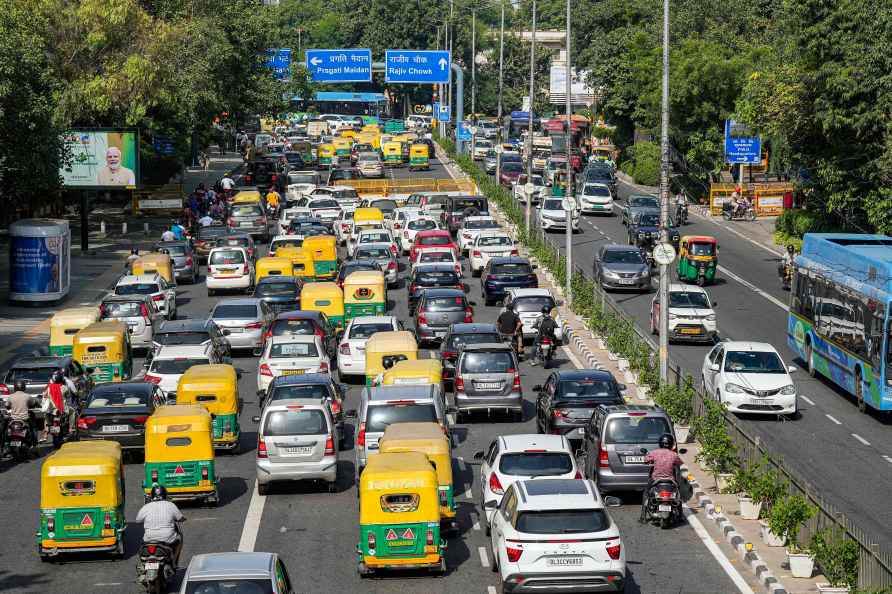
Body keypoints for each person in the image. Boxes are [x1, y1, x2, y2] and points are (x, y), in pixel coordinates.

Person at [136, 484, 186, 565]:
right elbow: (180, 518)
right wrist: (183, 519)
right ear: (165, 495)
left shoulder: (146, 506)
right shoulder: (170, 505)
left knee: (142, 545)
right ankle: (174, 563)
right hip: (167, 538)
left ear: (152, 495)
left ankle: (143, 563)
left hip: (149, 537)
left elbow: (138, 520)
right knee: (179, 539)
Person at [640, 433, 683, 522]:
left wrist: (648, 457)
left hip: (656, 479)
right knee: (678, 493)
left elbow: (645, 460)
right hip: (670, 480)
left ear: (660, 443)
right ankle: (680, 515)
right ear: (671, 444)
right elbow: (679, 463)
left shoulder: (654, 453)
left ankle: (643, 516)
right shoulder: (674, 455)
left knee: (646, 493)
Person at [7, 379, 37, 447]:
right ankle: (34, 444)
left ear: (15, 387)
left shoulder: (11, 396)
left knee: (5, 429)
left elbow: (7, 405)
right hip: (24, 419)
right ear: (24, 387)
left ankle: (5, 445)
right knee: (34, 428)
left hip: (13, 419)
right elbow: (33, 403)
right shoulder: (27, 396)